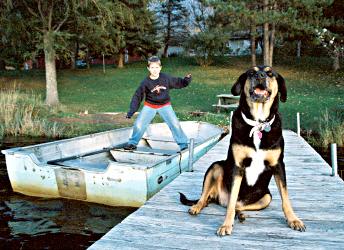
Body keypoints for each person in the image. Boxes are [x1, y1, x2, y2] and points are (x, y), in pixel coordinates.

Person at [124, 56, 192, 151]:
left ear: (160, 68)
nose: (155, 70)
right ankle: (132, 143)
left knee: (175, 124)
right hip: (150, 106)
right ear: (148, 68)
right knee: (139, 124)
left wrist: (185, 81)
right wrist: (131, 111)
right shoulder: (145, 82)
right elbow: (137, 96)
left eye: (156, 67)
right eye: (152, 67)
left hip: (165, 105)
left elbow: (177, 82)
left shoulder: (166, 78)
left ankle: (183, 144)